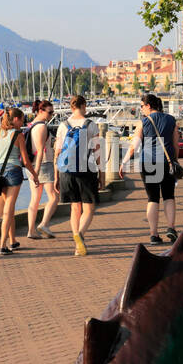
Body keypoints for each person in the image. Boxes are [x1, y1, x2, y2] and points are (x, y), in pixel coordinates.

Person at [119, 93, 179, 245]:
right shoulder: (171, 120)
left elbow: (134, 147)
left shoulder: (143, 123)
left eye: (142, 106)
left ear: (149, 106)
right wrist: (175, 161)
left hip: (149, 163)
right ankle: (171, 228)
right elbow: (175, 145)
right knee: (169, 196)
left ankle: (154, 235)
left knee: (153, 198)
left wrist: (124, 162)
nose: (141, 109)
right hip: (167, 163)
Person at [54, 94, 104, 256]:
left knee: (75, 207)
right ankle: (80, 235)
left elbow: (57, 152)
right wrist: (101, 175)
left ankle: (77, 247)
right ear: (83, 106)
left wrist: (56, 176)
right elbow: (98, 152)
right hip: (86, 170)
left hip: (66, 172)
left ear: (71, 107)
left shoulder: (63, 125)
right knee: (89, 208)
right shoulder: (91, 125)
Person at [0, 107, 36, 255]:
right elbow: (26, 161)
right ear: (15, 119)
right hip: (13, 172)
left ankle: (13, 241)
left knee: (9, 209)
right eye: (21, 119)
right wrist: (35, 174)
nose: (22, 123)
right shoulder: (18, 135)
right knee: (9, 208)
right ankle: (3, 245)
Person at [25, 100, 58, 240]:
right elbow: (40, 151)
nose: (52, 115)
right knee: (54, 196)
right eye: (49, 112)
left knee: (35, 199)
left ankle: (31, 231)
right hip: (43, 164)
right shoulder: (42, 127)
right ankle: (43, 224)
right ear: (40, 111)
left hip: (32, 165)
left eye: (52, 112)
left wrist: (33, 171)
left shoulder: (32, 125)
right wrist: (36, 172)